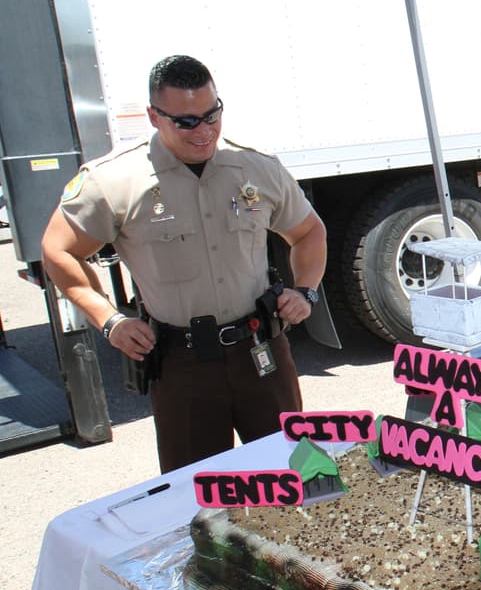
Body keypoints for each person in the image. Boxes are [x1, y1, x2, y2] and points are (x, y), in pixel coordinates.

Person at [41, 55, 327, 473]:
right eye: (187, 121)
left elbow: (309, 233)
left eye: (212, 115)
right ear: (154, 117)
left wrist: (305, 291)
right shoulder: (117, 180)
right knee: (195, 497)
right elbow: (58, 250)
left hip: (260, 350)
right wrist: (109, 320)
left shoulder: (255, 169)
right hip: (183, 365)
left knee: (292, 475)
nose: (204, 131)